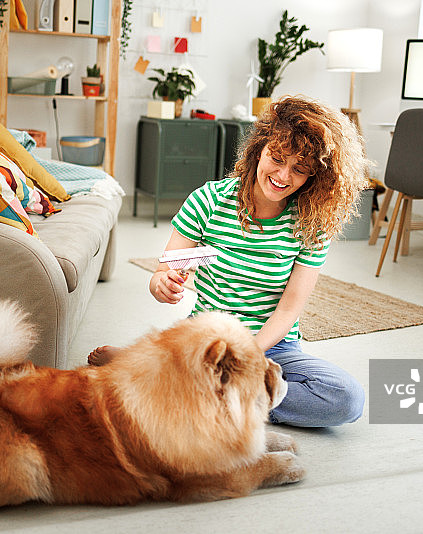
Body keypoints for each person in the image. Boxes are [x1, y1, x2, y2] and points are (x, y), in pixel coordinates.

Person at [92, 95, 369, 428]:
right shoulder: (208, 201)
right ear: (259, 149)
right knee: (213, 370)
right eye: (277, 158)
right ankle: (213, 391)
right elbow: (164, 273)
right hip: (207, 345)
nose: (283, 175)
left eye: (299, 169)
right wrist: (163, 283)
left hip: (271, 347)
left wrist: (247, 357)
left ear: (314, 175)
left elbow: (288, 311)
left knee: (346, 399)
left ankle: (180, 384)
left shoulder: (310, 223)